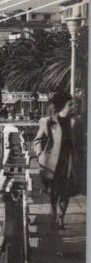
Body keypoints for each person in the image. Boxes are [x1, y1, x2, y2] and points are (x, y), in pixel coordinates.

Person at [33, 91, 83, 229]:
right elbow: (38, 140)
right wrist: (39, 155)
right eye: (70, 104)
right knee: (53, 192)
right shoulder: (48, 122)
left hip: (68, 162)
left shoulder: (76, 123)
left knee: (65, 192)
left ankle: (61, 218)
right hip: (51, 163)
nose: (73, 106)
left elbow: (81, 143)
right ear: (62, 105)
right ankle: (54, 215)